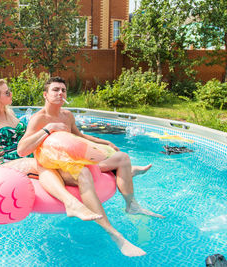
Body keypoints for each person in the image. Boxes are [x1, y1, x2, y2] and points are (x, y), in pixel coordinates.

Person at [17, 77, 165, 256]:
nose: (60, 93)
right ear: (45, 95)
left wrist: (104, 141)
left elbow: (79, 137)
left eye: (63, 90)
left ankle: (131, 205)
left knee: (122, 158)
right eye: (55, 90)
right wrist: (48, 129)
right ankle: (115, 235)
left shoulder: (67, 115)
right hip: (56, 166)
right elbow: (22, 150)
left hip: (73, 159)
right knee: (85, 172)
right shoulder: (39, 118)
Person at [0, 79, 102, 221]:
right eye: (7, 92)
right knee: (41, 164)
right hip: (6, 162)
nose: (11, 93)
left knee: (58, 164)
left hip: (27, 157)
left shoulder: (11, 115)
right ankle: (71, 203)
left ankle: (89, 199)